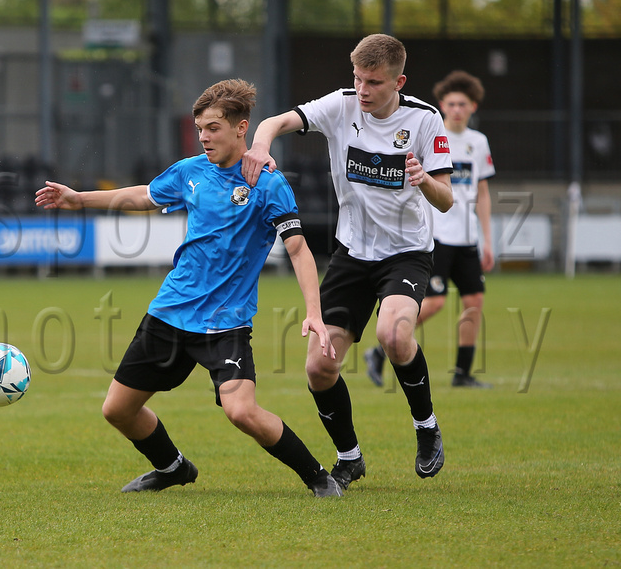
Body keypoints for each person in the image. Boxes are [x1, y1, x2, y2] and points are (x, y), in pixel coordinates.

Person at [35, 79, 343, 497]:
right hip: (171, 311)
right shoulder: (190, 171)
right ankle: (172, 467)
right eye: (200, 128)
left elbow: (299, 249)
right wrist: (78, 199)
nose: (203, 137)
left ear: (241, 128)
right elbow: (146, 194)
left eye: (213, 128)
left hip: (225, 324)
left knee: (242, 412)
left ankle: (317, 476)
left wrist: (313, 311)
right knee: (117, 410)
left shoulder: (269, 184)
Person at [241, 34, 453, 487]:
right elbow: (276, 121)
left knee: (393, 335)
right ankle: (349, 456)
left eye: (373, 82)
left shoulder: (424, 120)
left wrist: (423, 180)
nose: (362, 89)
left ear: (399, 80)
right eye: (357, 78)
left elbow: (447, 200)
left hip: (406, 253)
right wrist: (260, 147)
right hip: (351, 254)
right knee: (319, 366)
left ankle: (426, 427)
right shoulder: (340, 105)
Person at [364, 70, 495, 389]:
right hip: (436, 236)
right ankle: (383, 350)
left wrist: (488, 240)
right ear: (442, 105)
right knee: (434, 303)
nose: (457, 109)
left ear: (473, 107)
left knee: (474, 302)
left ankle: (462, 374)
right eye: (451, 104)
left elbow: (482, 193)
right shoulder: (433, 135)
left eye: (463, 104)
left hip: (467, 238)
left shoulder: (478, 143)